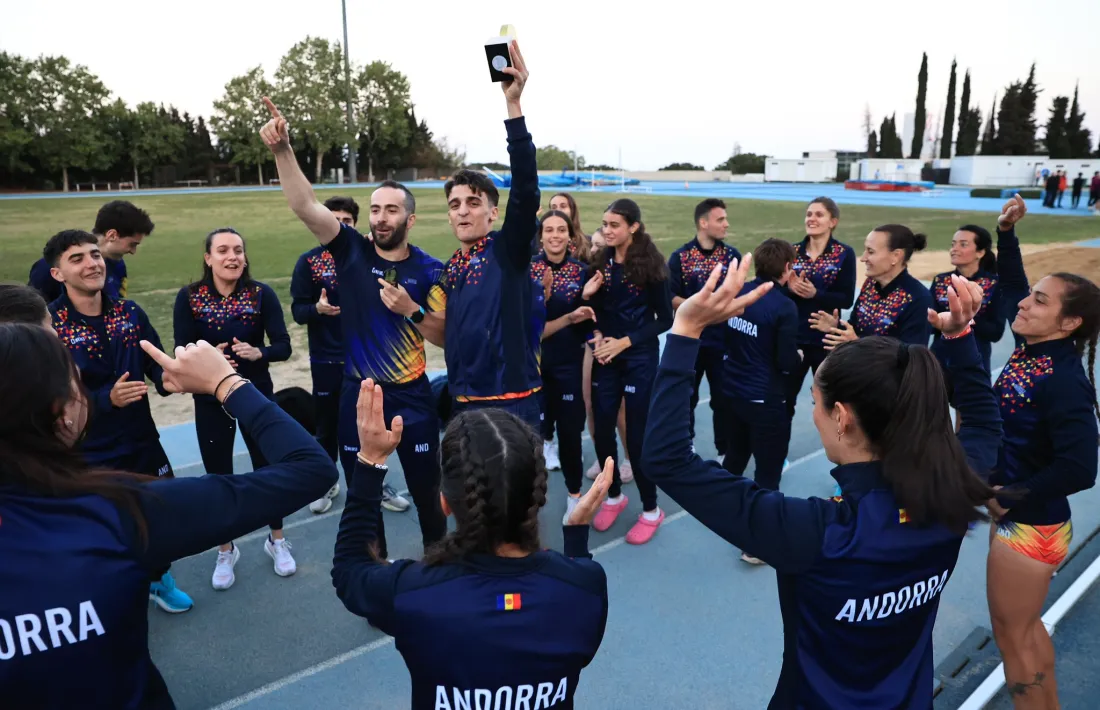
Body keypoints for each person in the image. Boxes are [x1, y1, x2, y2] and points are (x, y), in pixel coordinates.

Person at [643, 256, 1002, 709]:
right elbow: (986, 427)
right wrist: (960, 337)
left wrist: (685, 329)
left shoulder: (817, 532)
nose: (810, 415)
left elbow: (668, 459)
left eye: (814, 401)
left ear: (841, 417)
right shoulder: (953, 488)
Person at [0, 327, 337, 709]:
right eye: (76, 379)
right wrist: (227, 383)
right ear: (61, 411)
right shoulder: (119, 511)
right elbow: (311, 470)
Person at [331, 380, 611, 710]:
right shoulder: (585, 584)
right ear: (538, 496)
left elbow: (349, 571)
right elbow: (580, 646)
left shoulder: (413, 592)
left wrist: (370, 461)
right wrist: (576, 537)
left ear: (445, 503)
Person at [263, 104, 447, 558]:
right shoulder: (350, 252)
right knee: (365, 496)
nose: (380, 218)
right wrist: (284, 150)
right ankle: (375, 572)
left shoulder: (430, 270)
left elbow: (443, 336)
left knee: (427, 493)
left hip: (412, 396)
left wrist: (412, 310)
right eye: (375, 210)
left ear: (410, 219)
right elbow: (303, 204)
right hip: (359, 395)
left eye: (391, 211)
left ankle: (439, 566)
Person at [984, 195, 1099, 709]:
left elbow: (1081, 466)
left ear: (1069, 324)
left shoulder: (1063, 379)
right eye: (1031, 296)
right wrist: (1006, 234)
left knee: (1013, 644)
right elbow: (1011, 286)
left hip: (1029, 528)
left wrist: (1011, 493)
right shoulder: (1037, 349)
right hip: (1031, 522)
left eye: (1040, 302)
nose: (1023, 305)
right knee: (1026, 633)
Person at [42, 230, 193, 614]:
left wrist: (168, 380)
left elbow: (155, 365)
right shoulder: (49, 327)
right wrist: (102, 401)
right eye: (77, 258)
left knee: (159, 517)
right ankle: (113, 591)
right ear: (57, 274)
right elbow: (46, 400)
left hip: (143, 441)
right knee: (104, 528)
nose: (92, 263)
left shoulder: (130, 313)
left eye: (95, 254)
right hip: (89, 452)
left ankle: (159, 579)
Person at [173, 227, 296, 588]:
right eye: (223, 250)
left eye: (238, 250)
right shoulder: (190, 297)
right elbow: (181, 349)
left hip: (255, 396)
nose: (233, 257)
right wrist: (210, 358)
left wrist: (261, 352)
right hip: (210, 400)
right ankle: (226, 549)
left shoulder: (262, 295)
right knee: (218, 475)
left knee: (268, 468)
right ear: (208, 258)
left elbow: (284, 346)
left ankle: (277, 540)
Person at [437, 41, 543, 430]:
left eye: (473, 202)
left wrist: (513, 107)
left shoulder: (506, 249)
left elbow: (527, 190)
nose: (462, 210)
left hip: (511, 404)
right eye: (454, 204)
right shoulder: (452, 267)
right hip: (462, 402)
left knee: (516, 494)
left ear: (493, 212)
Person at [583, 198, 674, 544]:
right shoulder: (599, 261)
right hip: (606, 356)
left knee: (635, 437)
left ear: (633, 227)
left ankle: (651, 508)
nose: (606, 230)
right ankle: (613, 496)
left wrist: (625, 342)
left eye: (614, 225)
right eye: (604, 224)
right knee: (602, 429)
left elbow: (664, 319)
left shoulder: (652, 266)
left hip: (638, 358)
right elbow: (592, 309)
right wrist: (597, 335)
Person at [722, 239, 800, 564]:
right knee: (768, 473)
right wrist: (797, 356)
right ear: (788, 268)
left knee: (736, 454)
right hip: (765, 398)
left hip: (733, 390)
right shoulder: (784, 306)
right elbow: (785, 361)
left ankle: (720, 509)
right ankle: (758, 544)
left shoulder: (739, 293)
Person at [290, 196, 360, 514]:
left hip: (366, 360)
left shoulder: (369, 257)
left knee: (367, 426)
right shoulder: (307, 262)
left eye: (347, 220)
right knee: (327, 427)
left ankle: (373, 484)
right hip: (326, 360)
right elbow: (298, 311)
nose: (340, 226)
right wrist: (316, 309)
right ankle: (327, 482)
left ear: (355, 225)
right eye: (334, 219)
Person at [531, 210, 596, 519]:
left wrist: (589, 301)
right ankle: (528, 504)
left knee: (570, 435)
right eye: (549, 230)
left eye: (561, 230)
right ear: (540, 236)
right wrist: (541, 300)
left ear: (571, 236)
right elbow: (529, 328)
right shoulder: (528, 271)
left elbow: (589, 323)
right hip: (533, 370)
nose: (555, 235)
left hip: (570, 369)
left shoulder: (583, 272)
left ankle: (574, 495)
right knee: (531, 438)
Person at [668, 198, 740, 456]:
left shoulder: (732, 257)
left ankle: (724, 450)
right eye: (720, 219)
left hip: (724, 343)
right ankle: (686, 444)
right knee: (687, 398)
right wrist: (701, 309)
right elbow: (671, 297)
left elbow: (738, 296)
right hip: (690, 341)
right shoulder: (680, 257)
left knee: (723, 400)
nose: (726, 224)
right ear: (703, 222)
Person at [782, 197, 857, 420]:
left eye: (818, 214)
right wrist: (790, 290)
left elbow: (845, 299)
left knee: (829, 403)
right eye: (809, 214)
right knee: (784, 400)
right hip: (792, 338)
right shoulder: (791, 251)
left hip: (826, 341)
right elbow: (776, 293)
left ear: (832, 221)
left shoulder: (845, 253)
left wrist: (816, 294)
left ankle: (837, 451)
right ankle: (778, 455)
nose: (811, 219)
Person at [811, 224, 933, 350]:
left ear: (896, 256)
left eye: (870, 252)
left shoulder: (918, 298)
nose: (863, 258)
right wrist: (837, 327)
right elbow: (856, 329)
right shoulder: (870, 285)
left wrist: (857, 343)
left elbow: (911, 356)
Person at [582, 228, 634, 483]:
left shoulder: (618, 274)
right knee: (591, 405)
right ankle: (603, 457)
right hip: (588, 344)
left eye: (600, 245)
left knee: (619, 408)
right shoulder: (588, 271)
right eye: (592, 245)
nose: (594, 250)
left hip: (612, 345)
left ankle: (628, 458)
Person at [29, 200, 153, 303]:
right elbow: (31, 317)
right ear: (112, 235)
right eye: (132, 244)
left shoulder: (118, 265)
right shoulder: (47, 268)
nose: (133, 251)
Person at [929, 225, 1004, 375]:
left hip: (974, 362)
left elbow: (995, 332)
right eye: (953, 244)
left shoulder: (995, 284)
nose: (954, 249)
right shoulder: (940, 280)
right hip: (939, 361)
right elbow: (928, 326)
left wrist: (964, 319)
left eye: (963, 244)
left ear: (980, 252)